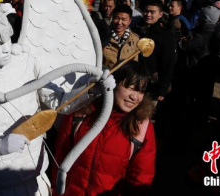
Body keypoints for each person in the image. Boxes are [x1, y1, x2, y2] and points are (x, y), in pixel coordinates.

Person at [0, 4, 111, 195]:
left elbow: (58, 102)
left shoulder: (27, 62)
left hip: (34, 175)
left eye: (6, 39)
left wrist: (90, 90)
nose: (6, 48)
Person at [52, 61, 156, 196]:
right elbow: (60, 155)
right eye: (130, 88)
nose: (134, 97)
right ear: (114, 82)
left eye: (140, 91)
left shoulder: (141, 127)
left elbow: (141, 178)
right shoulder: (83, 111)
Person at [102, 4, 140, 69]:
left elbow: (135, 63)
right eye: (116, 18)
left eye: (123, 19)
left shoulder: (135, 39)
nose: (119, 22)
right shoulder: (103, 36)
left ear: (129, 21)